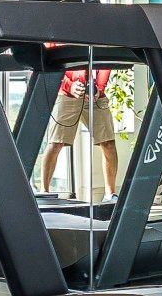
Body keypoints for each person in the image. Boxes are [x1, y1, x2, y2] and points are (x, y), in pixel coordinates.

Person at [39, 60, 120, 200]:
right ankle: (44, 192)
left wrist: (99, 89)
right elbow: (52, 65)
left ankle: (110, 194)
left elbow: (105, 63)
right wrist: (69, 86)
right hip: (67, 94)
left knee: (108, 143)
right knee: (56, 143)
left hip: (95, 96)